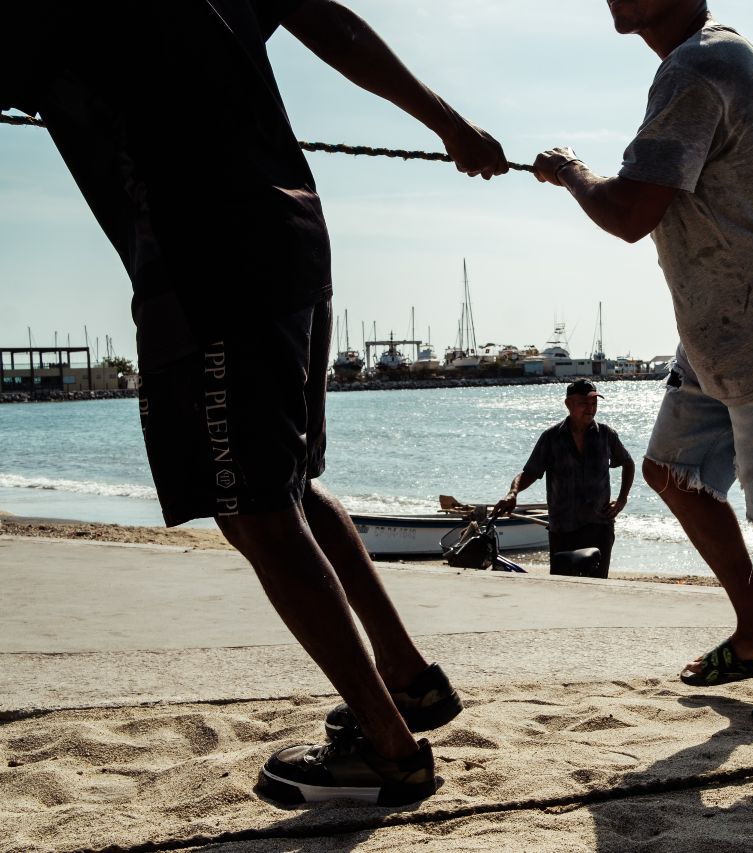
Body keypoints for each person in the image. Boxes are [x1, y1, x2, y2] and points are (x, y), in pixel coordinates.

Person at [2, 0, 508, 805]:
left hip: (206, 265)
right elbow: (325, 18)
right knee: (291, 488)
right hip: (293, 236)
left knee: (256, 513)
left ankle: (389, 749)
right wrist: (449, 124)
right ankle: (407, 679)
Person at [531, 0, 753, 727]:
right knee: (670, 472)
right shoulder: (716, 55)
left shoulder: (696, 65)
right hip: (717, 334)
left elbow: (629, 214)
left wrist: (570, 172)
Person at [494, 379, 634, 576]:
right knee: (562, 588)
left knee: (597, 587)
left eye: (594, 403)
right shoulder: (551, 437)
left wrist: (621, 500)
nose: (590, 408)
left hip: (599, 526)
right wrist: (512, 493)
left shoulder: (606, 435)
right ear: (568, 404)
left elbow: (628, 463)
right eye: (584, 403)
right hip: (562, 529)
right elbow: (530, 473)